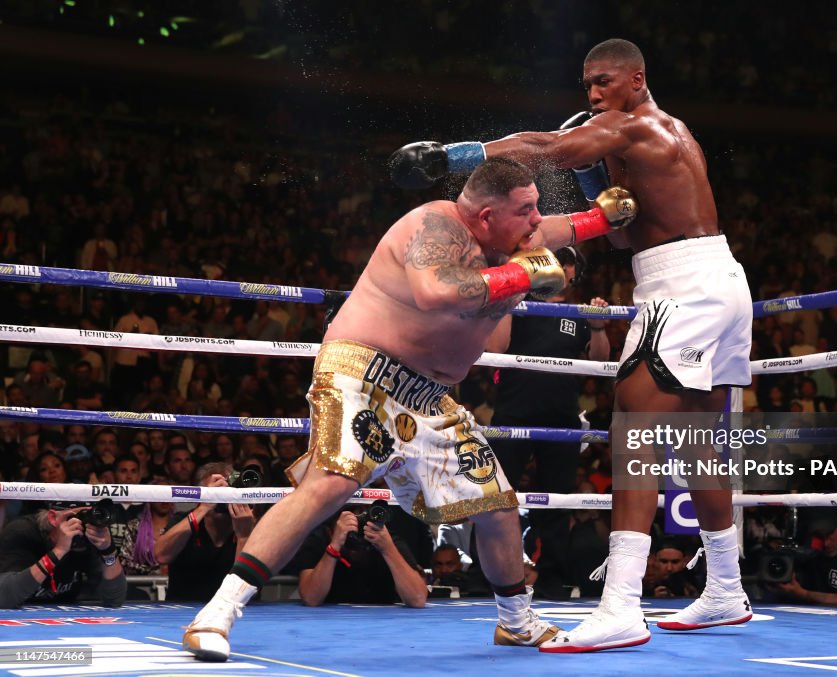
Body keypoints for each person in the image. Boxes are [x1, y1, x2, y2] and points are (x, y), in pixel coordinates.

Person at [182, 158, 635, 661]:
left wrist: (605, 216)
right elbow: (435, 291)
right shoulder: (433, 226)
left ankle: (517, 622)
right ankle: (216, 614)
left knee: (499, 506)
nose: (537, 221)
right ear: (486, 216)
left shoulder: (514, 232)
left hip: (428, 398)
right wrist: (519, 273)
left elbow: (565, 225)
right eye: (526, 211)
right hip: (364, 372)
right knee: (330, 483)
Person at [391, 38, 752, 651]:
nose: (592, 97)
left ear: (637, 80)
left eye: (604, 83)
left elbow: (546, 148)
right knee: (691, 446)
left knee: (632, 434)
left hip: (685, 288)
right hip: (717, 283)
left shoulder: (632, 126)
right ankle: (725, 591)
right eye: (587, 86)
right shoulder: (666, 133)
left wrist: (460, 155)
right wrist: (595, 185)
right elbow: (623, 237)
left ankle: (621, 607)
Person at [485, 245, 611, 598]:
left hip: (561, 418)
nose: (563, 268)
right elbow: (495, 350)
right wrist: (508, 304)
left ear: (573, 273)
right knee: (496, 496)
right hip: (513, 413)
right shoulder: (518, 305)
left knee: (557, 500)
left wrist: (599, 329)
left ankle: (553, 578)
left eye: (568, 263)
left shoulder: (579, 312)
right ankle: (492, 576)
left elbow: (600, 364)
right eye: (557, 261)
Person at [292, 504, 427, 608]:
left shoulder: (384, 538)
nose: (356, 534)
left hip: (384, 624)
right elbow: (311, 598)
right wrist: (335, 545)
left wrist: (388, 549)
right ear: (330, 530)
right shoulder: (321, 539)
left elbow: (418, 598)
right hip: (330, 624)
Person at [156, 463, 256, 602]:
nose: (224, 498)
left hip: (230, 609)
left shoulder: (246, 524)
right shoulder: (183, 520)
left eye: (228, 491)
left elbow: (247, 585)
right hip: (182, 611)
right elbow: (161, 556)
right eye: (219, 492)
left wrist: (244, 537)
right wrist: (204, 507)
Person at [0, 503, 126, 608]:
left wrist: (108, 550)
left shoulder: (89, 535)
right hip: (21, 618)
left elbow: (114, 599)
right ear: (53, 517)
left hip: (67, 618)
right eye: (76, 517)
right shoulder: (22, 532)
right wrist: (59, 551)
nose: (82, 524)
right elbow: (4, 597)